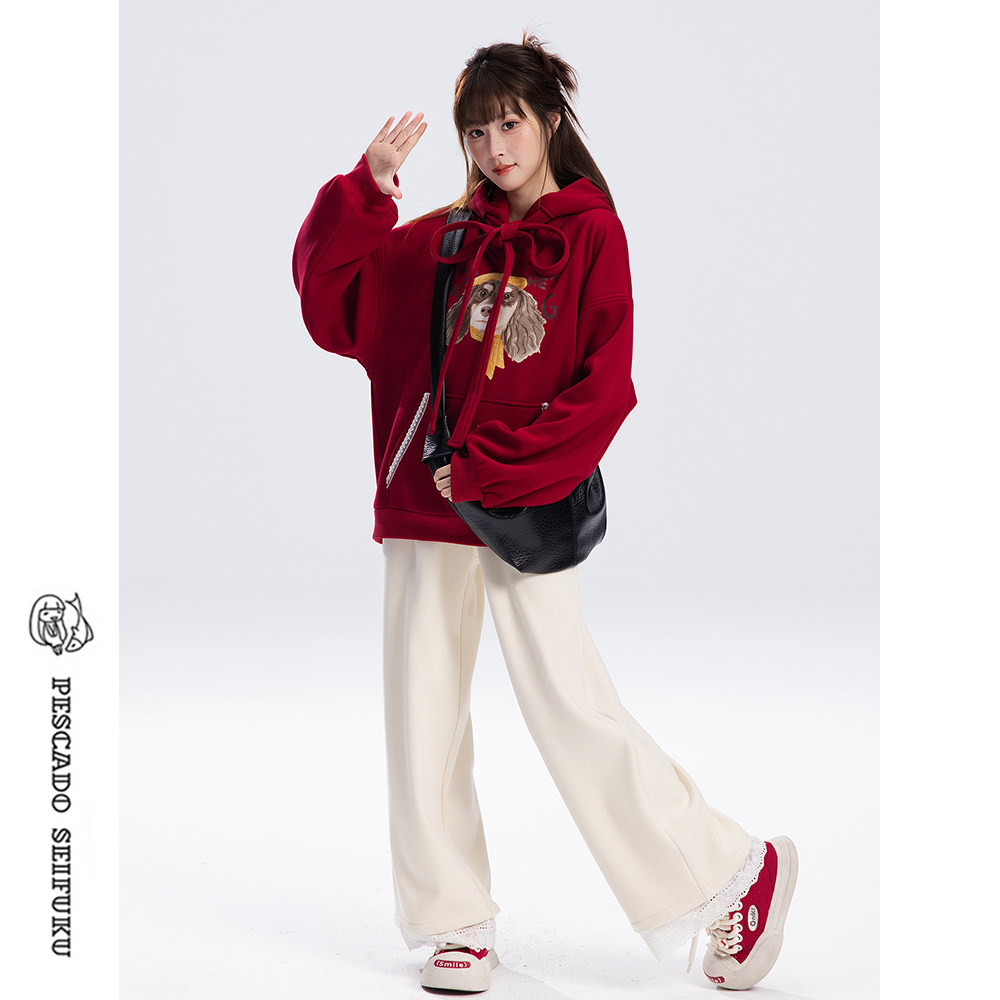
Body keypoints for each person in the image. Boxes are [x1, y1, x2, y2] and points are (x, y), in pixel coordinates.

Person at [292, 33, 797, 994]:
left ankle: (735, 873)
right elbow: (332, 306)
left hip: (521, 505)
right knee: (421, 715)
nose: (494, 148)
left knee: (570, 707)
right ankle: (454, 921)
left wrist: (493, 469)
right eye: (476, 132)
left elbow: (605, 391)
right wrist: (365, 192)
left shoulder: (591, 236)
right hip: (425, 506)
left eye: (510, 124)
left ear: (551, 119)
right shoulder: (441, 237)